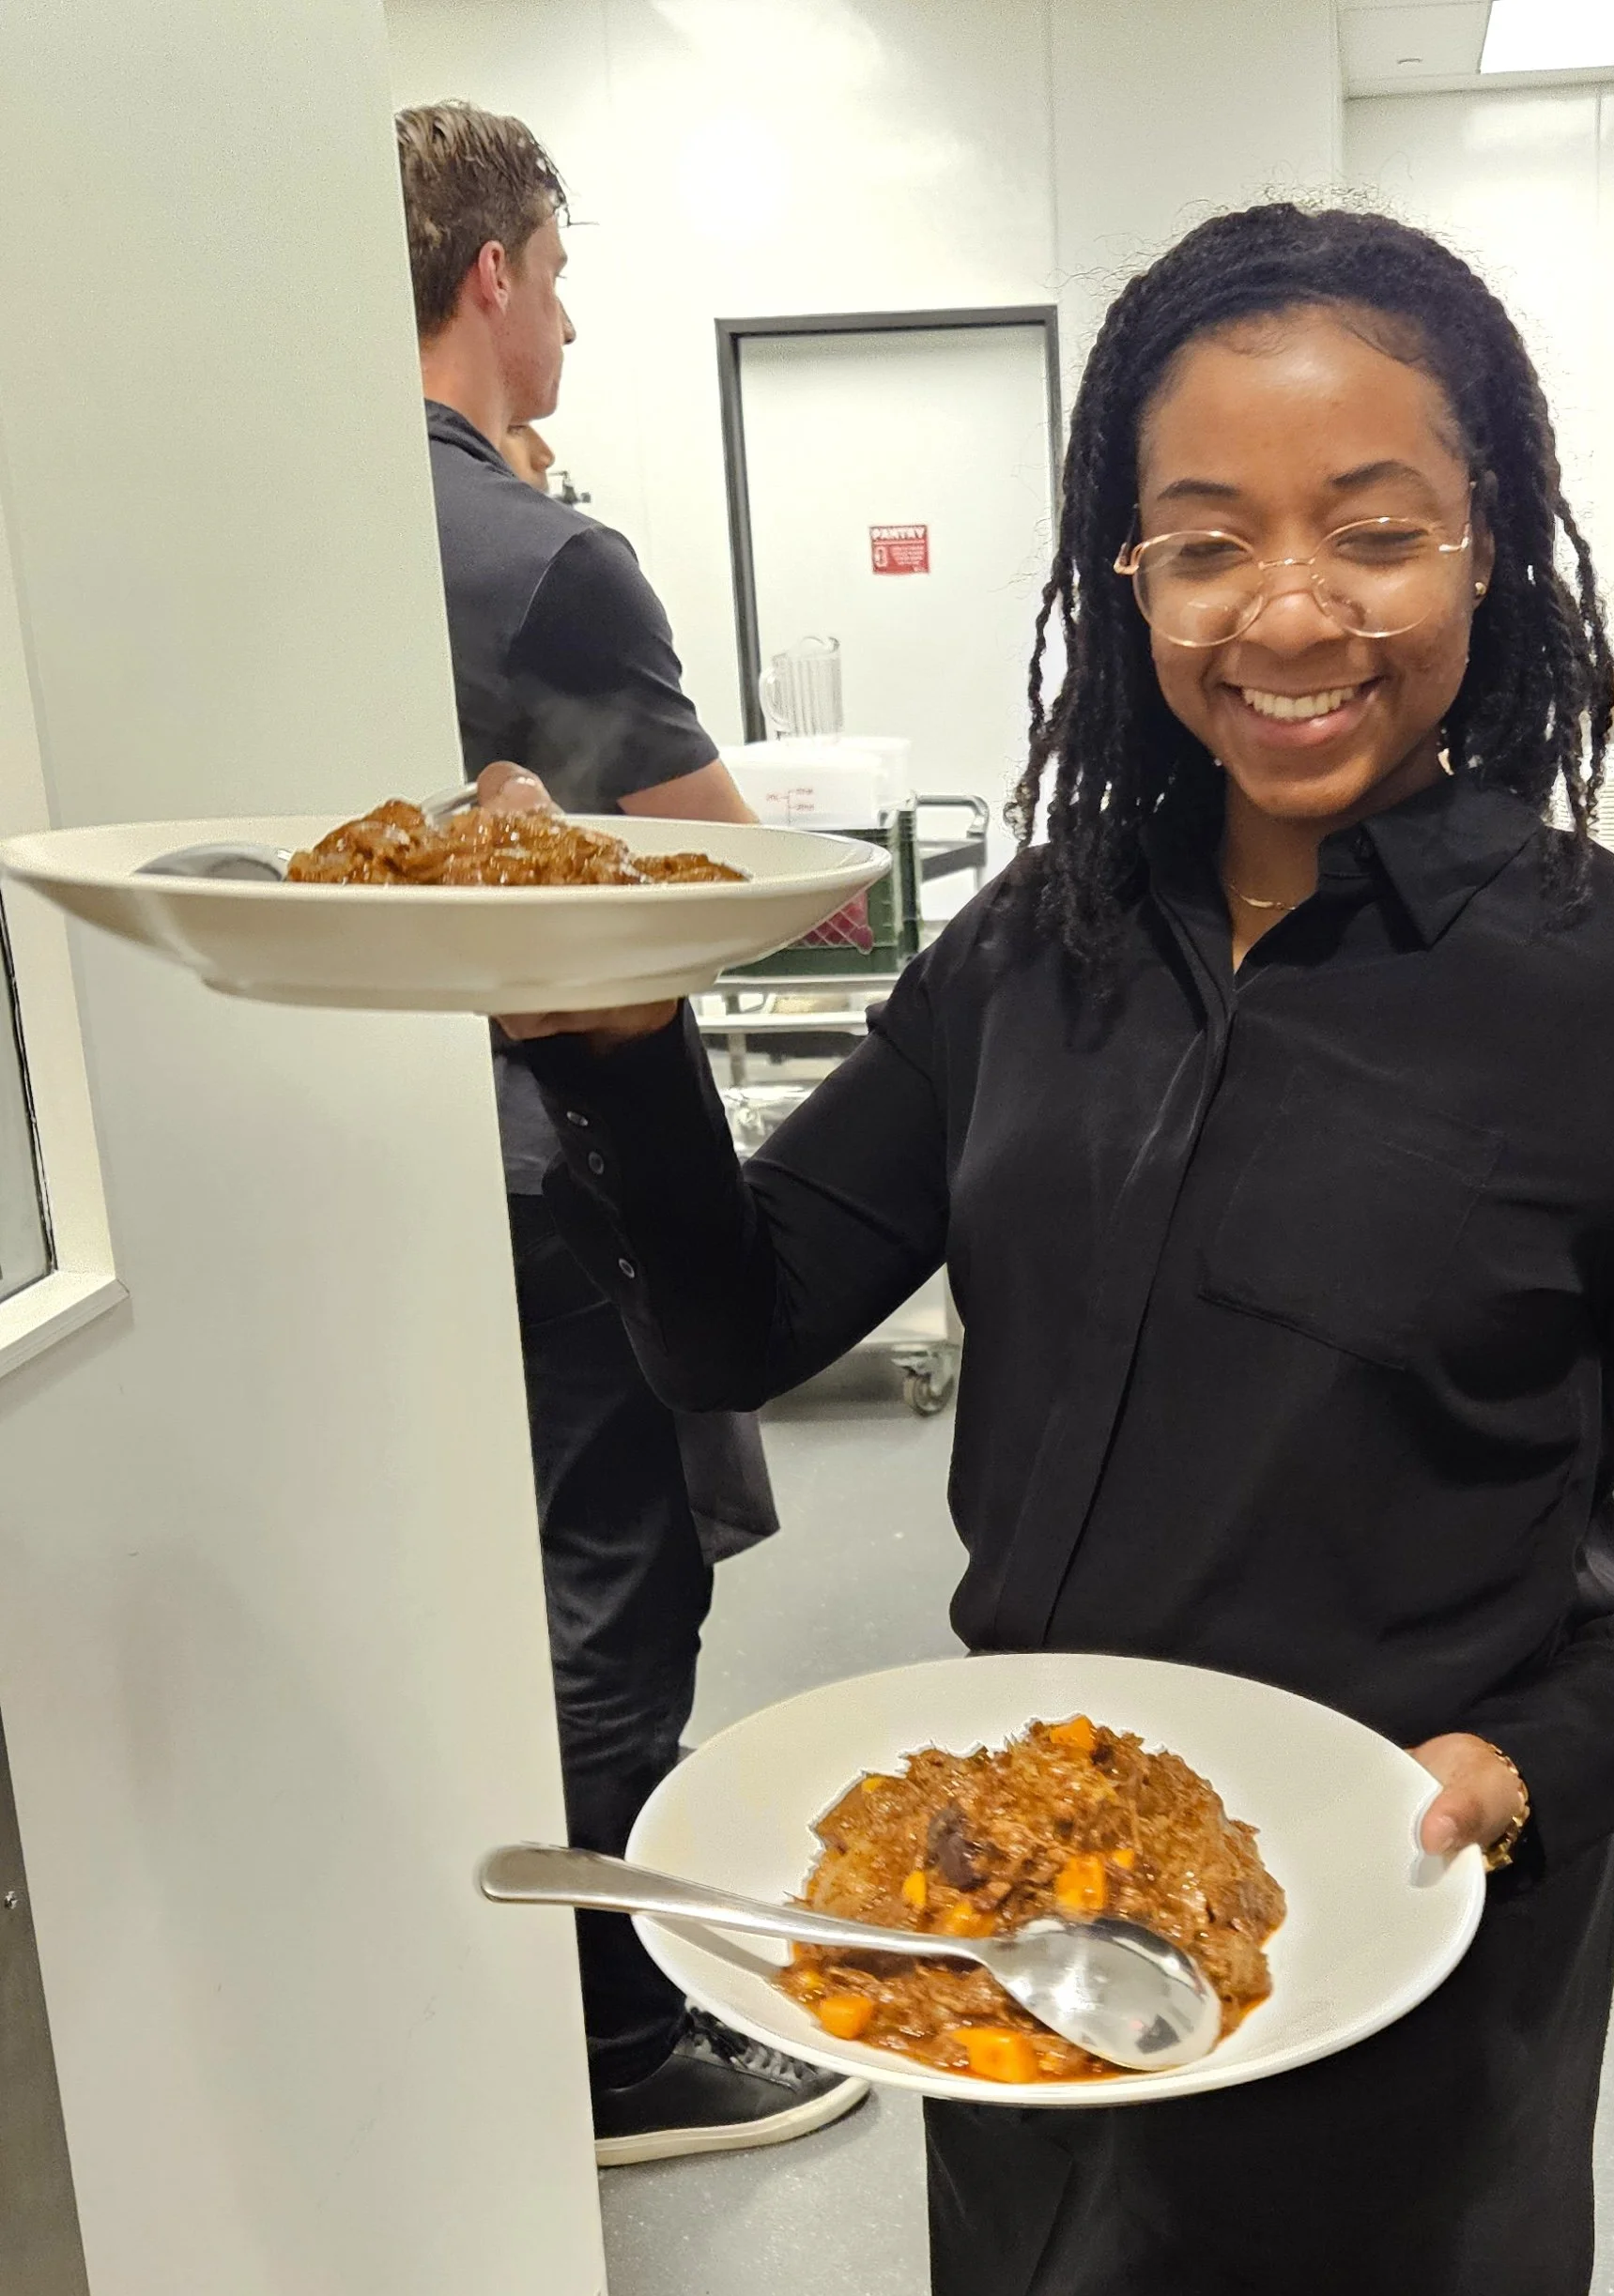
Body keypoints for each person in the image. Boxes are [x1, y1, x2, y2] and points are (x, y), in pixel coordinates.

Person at [496, 203, 1614, 2296]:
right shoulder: (1043, 949)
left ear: (1490, 541)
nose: (1286, 612)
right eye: (1203, 540)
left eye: (1374, 527)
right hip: (1019, 1937)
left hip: (1385, 1979)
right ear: (1121, 574)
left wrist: (1521, 1768)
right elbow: (733, 1321)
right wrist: (619, 1043)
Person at [394, 100, 864, 2158]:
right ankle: (614, 2050)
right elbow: (738, 882)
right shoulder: (542, 556)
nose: (570, 323)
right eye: (563, 279)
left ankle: (485, 2016)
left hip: (349, 1184)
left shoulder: (294, 541)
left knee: (450, 1588)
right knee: (609, 1587)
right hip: (545, 1171)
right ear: (492, 273)